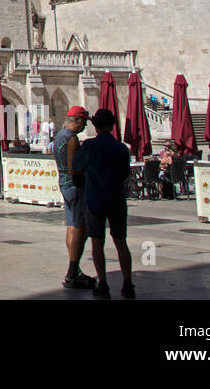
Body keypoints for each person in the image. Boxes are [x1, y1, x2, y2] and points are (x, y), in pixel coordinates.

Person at [72, 108, 135, 299]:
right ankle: (127, 284)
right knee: (121, 242)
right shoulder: (122, 148)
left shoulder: (89, 146)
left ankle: (103, 283)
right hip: (117, 199)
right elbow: (125, 173)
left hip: (95, 198)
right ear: (113, 125)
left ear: (95, 125)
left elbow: (75, 168)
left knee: (97, 243)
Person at [56, 106, 94, 290]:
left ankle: (74, 267)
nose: (84, 126)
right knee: (80, 227)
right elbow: (74, 168)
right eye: (84, 122)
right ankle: (72, 270)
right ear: (77, 120)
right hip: (74, 184)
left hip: (63, 182)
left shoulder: (59, 135)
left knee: (71, 226)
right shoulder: (71, 139)